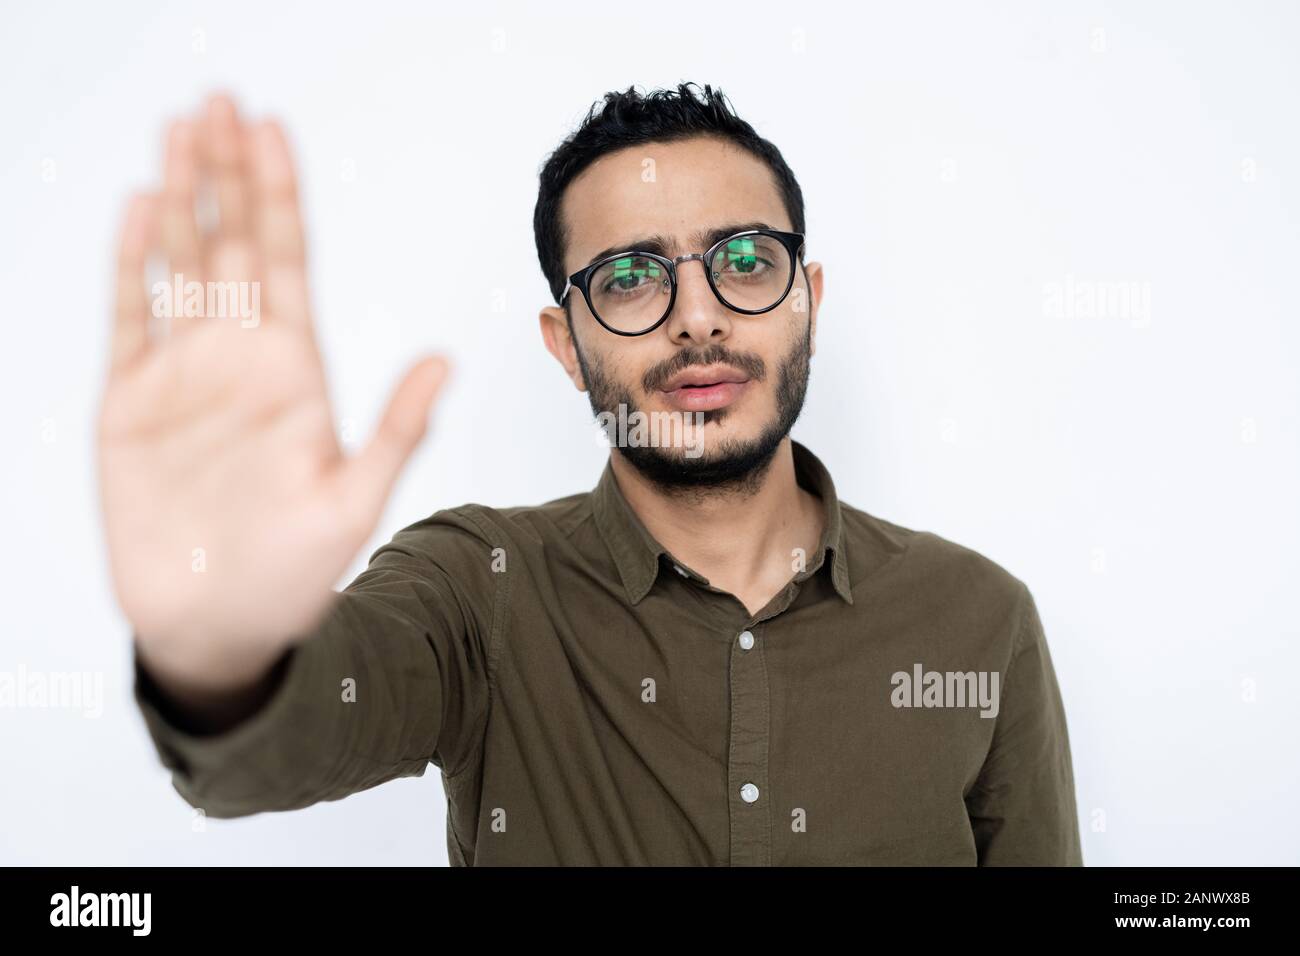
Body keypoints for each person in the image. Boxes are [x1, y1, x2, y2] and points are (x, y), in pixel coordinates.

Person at [101, 83, 1082, 866]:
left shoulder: (977, 617)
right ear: (565, 345)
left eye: (744, 260)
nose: (697, 316)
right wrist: (219, 645)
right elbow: (265, 755)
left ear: (805, 303)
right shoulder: (476, 585)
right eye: (628, 277)